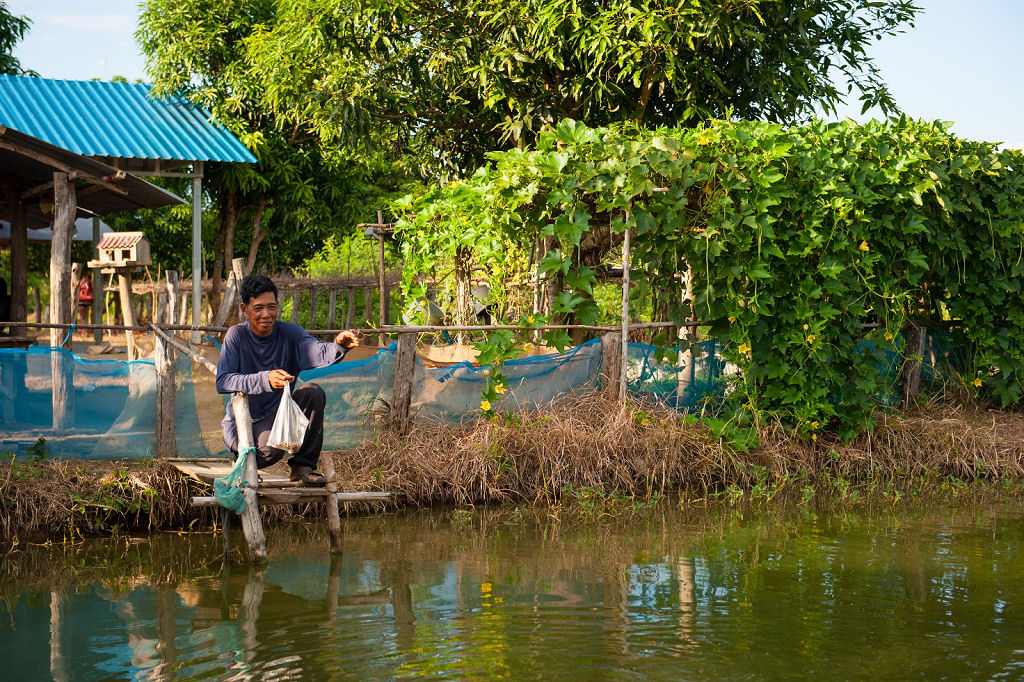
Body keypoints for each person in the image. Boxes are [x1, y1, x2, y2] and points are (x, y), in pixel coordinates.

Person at [216, 274, 359, 485]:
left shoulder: (290, 333)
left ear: (278, 306)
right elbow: (224, 381)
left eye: (271, 307)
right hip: (246, 425)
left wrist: (339, 345)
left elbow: (315, 351)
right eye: (258, 308)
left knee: (313, 392)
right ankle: (244, 459)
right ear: (244, 309)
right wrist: (265, 379)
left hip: (281, 414)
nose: (266, 314)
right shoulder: (236, 336)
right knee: (271, 451)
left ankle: (302, 466)